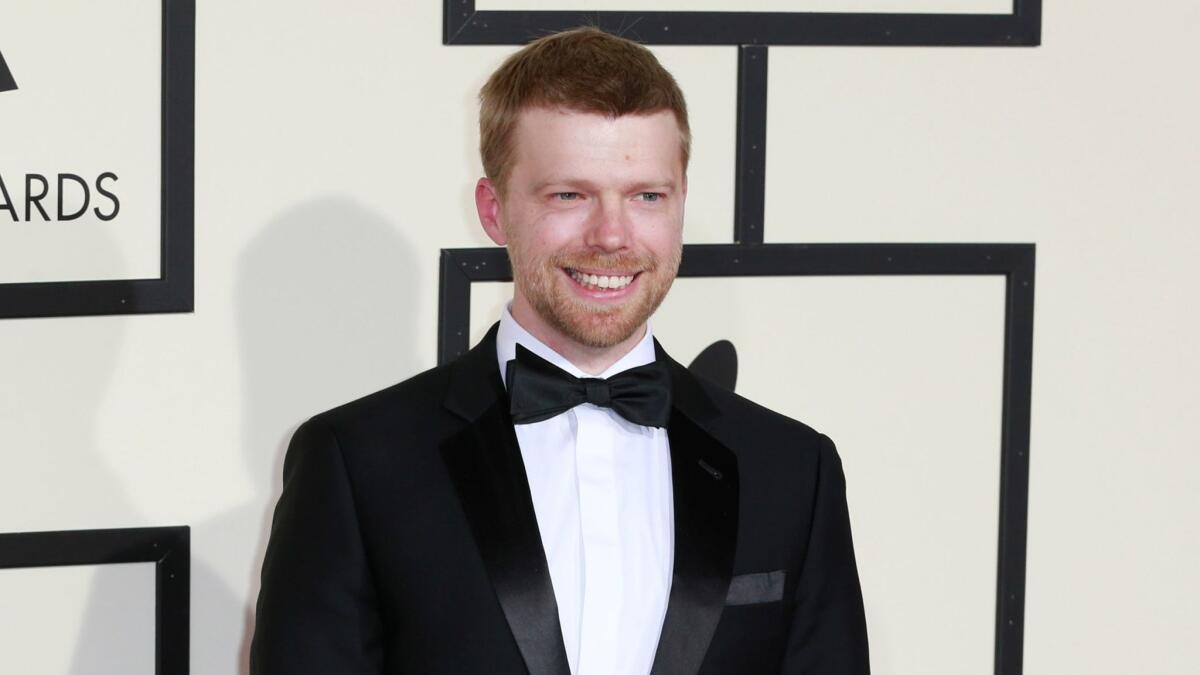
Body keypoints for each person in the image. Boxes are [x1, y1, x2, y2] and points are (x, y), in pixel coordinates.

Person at [250, 27, 869, 674]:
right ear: (494, 210)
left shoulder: (795, 471)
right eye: (569, 195)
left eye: (646, 197)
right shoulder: (358, 465)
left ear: (681, 203)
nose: (611, 235)